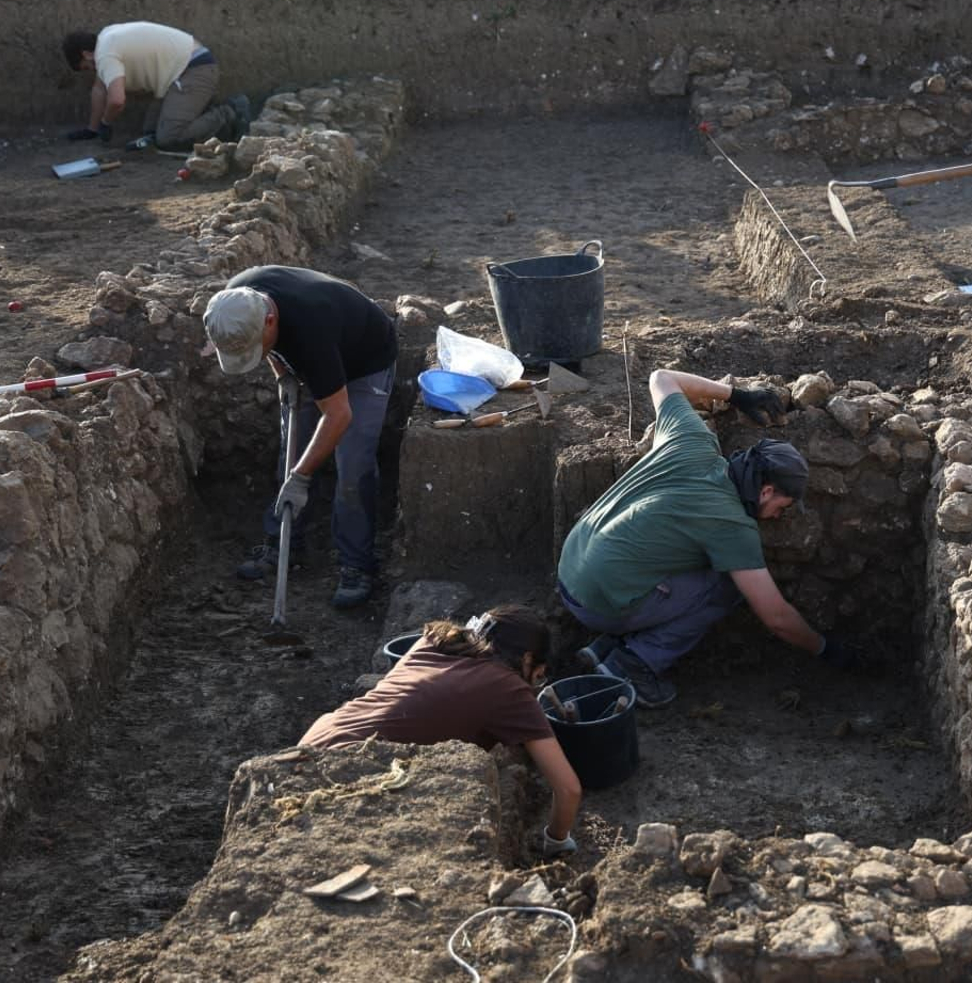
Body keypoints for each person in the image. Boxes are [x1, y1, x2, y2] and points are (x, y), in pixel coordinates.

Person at [558, 369, 855, 710]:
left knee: (663, 562)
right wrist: (825, 648)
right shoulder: (733, 527)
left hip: (571, 567)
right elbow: (776, 616)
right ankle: (631, 665)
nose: (780, 516)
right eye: (782, 507)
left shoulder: (693, 439)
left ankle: (606, 646)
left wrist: (737, 395)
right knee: (727, 585)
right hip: (596, 602)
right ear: (767, 490)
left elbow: (660, 378)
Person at [299, 605, 583, 858]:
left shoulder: (433, 639)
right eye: (538, 674)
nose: (535, 682)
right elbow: (568, 788)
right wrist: (555, 842)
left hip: (312, 745)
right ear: (527, 659)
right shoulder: (509, 688)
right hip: (347, 774)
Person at [203, 265, 397, 608]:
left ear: (269, 322)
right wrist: (283, 375)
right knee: (292, 448)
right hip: (313, 362)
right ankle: (285, 545)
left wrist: (301, 478)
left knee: (352, 463)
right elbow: (269, 348)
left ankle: (357, 564)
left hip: (365, 360)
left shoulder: (311, 328)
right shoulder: (234, 303)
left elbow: (339, 414)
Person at [61, 22, 250, 152]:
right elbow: (99, 89)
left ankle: (230, 112)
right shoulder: (106, 37)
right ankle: (198, 111)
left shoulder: (105, 56)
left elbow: (117, 100)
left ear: (86, 54)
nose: (93, 71)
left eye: (87, 67)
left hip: (194, 70)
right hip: (182, 70)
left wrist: (106, 123)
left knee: (169, 138)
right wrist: (92, 130)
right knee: (149, 133)